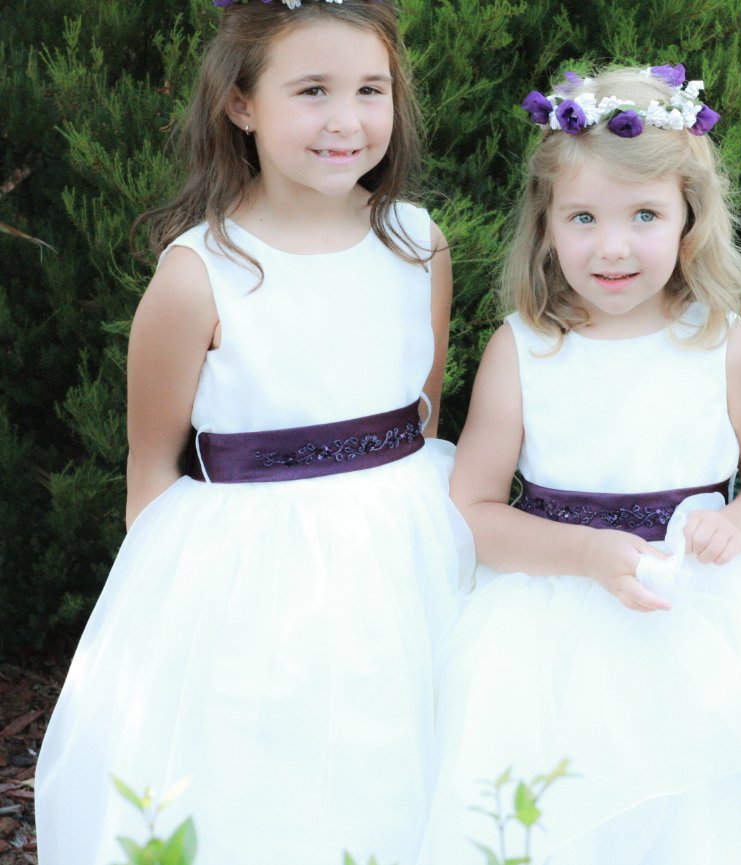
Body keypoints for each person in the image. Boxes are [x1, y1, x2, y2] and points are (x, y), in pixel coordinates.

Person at [35, 2, 471, 862]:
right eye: (311, 90)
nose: (345, 120)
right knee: (269, 774)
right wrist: (177, 622)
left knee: (402, 752)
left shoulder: (418, 243)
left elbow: (422, 413)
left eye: (370, 90)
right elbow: (151, 473)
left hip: (404, 549)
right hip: (255, 574)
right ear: (241, 103)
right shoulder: (198, 274)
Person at [420, 66, 741, 865]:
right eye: (582, 217)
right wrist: (586, 553)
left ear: (690, 220)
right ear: (545, 224)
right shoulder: (523, 348)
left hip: (701, 619)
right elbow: (475, 511)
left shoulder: (721, 342)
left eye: (645, 215)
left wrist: (740, 521)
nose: (613, 246)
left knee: (709, 827)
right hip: (550, 633)